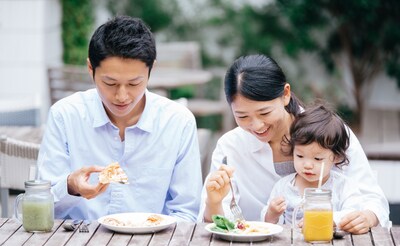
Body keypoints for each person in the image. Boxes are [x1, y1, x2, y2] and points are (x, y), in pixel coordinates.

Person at [200, 54, 390, 234]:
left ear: (286, 94)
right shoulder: (231, 147)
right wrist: (213, 203)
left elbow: (373, 201)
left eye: (265, 113)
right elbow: (214, 223)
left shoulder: (329, 133)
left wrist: (366, 217)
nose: (256, 125)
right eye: (242, 116)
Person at [38, 15, 202, 222]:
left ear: (151, 70)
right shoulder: (65, 115)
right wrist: (70, 186)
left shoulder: (178, 122)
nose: (122, 96)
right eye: (110, 83)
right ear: (91, 69)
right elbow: (41, 204)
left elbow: (187, 212)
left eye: (134, 84)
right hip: (78, 243)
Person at [261, 104, 362, 229]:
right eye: (300, 156)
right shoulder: (284, 186)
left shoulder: (342, 186)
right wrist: (272, 214)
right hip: (289, 245)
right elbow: (268, 225)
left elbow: (353, 213)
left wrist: (331, 220)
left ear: (336, 157)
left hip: (330, 245)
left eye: (317, 159)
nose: (307, 165)